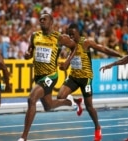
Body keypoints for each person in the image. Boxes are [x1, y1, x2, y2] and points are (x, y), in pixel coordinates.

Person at [57, 23, 123, 141]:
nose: (71, 37)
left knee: (89, 107)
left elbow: (103, 49)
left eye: (73, 34)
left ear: (78, 33)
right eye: (69, 34)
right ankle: (77, 102)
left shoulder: (86, 42)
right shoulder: (69, 44)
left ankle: (97, 127)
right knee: (60, 96)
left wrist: (118, 55)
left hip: (85, 79)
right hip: (73, 77)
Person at [17, 13, 78, 141]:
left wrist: (67, 62)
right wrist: (28, 55)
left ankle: (23, 137)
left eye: (45, 19)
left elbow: (74, 47)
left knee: (31, 99)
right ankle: (71, 101)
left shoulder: (59, 37)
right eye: (40, 19)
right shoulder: (35, 36)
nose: (41, 20)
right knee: (48, 106)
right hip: (38, 76)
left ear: (51, 22)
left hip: (50, 75)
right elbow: (30, 50)